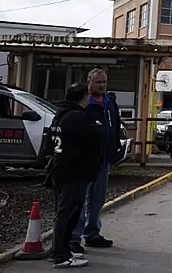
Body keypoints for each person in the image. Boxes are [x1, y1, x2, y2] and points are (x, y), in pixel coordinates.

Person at [49, 83, 104, 268]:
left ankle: (61, 250)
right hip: (73, 172)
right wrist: (96, 126)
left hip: (60, 169)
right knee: (67, 213)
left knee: (64, 212)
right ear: (82, 97)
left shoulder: (60, 115)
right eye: (87, 96)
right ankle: (60, 255)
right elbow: (95, 137)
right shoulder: (76, 117)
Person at [70, 68, 121, 254]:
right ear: (89, 82)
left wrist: (115, 146)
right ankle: (74, 236)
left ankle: (92, 233)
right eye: (98, 82)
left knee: (97, 198)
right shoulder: (83, 104)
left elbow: (115, 125)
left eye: (104, 82)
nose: (101, 86)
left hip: (104, 157)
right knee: (79, 198)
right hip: (85, 158)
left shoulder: (110, 103)